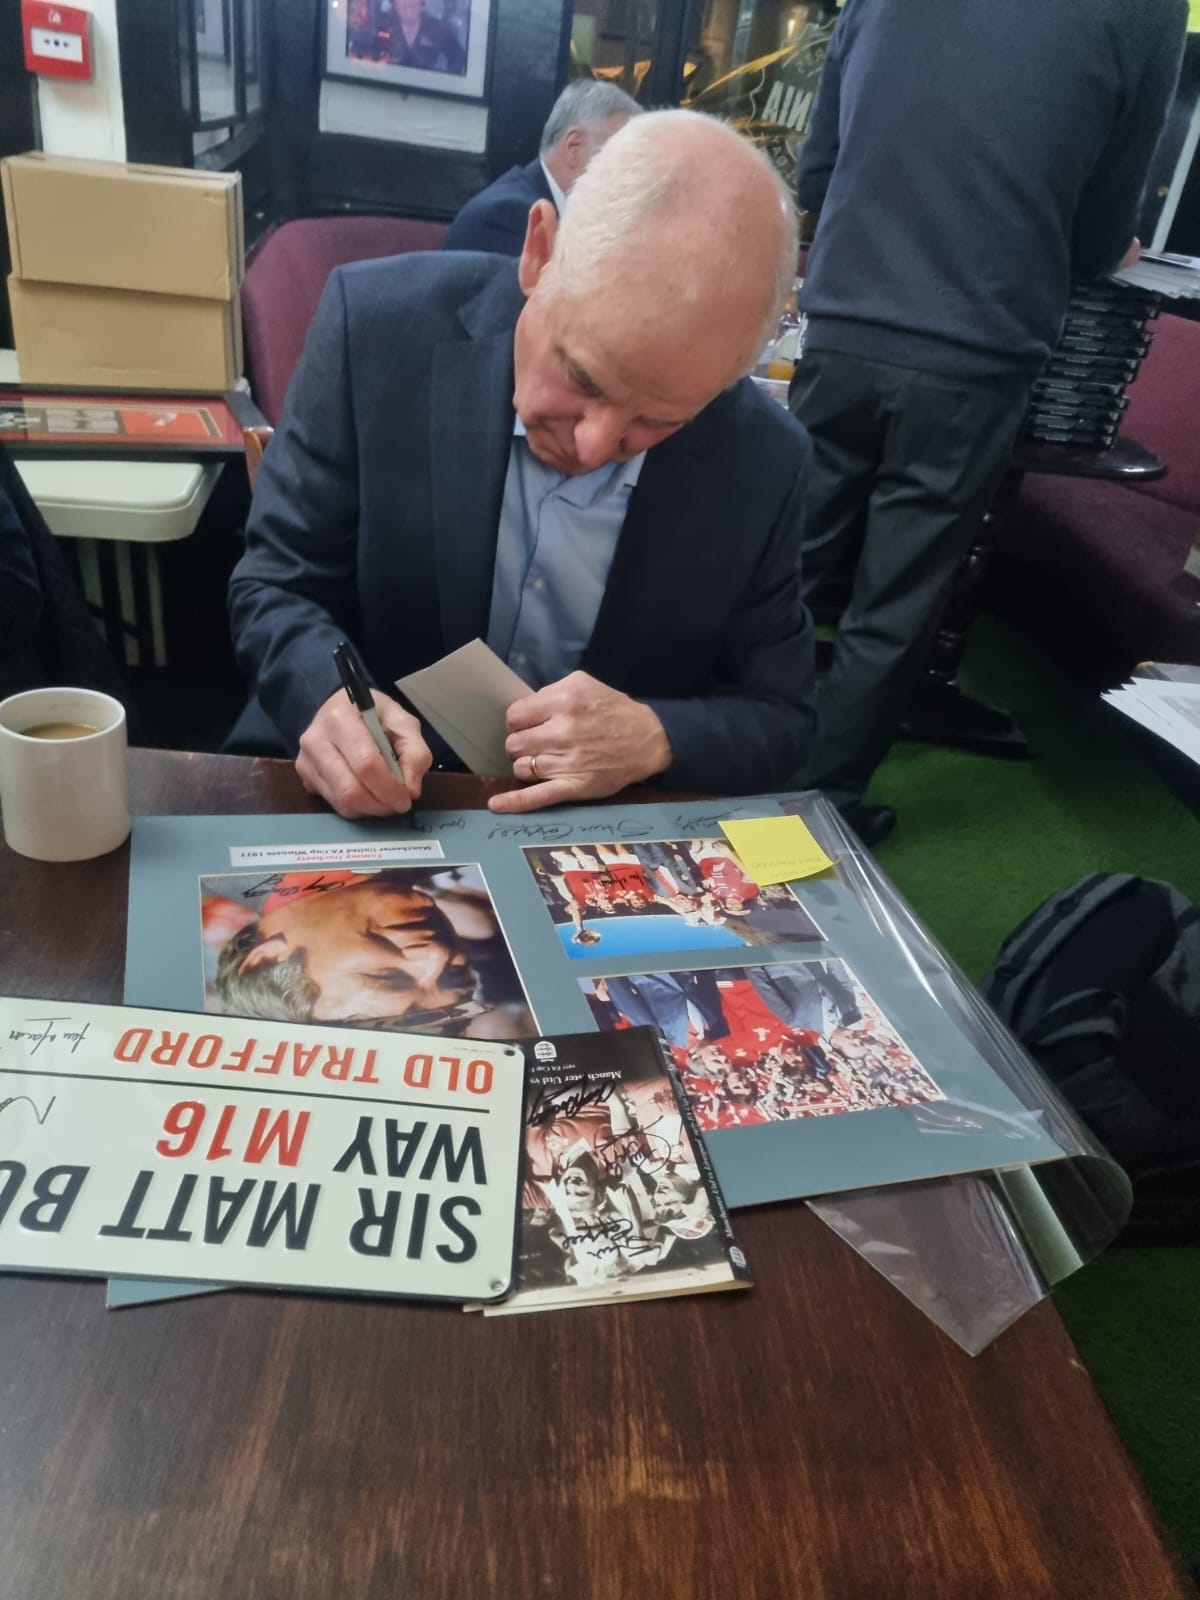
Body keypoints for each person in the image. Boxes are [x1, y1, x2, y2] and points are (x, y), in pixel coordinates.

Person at [227, 111, 815, 817]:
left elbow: (780, 716)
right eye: (586, 380)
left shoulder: (761, 460)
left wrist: (657, 735)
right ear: (539, 252)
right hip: (372, 798)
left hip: (590, 829)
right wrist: (328, 699)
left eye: (658, 421)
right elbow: (276, 584)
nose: (595, 447)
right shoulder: (377, 331)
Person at [789, 0, 1188, 847]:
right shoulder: (1143, 10)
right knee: (894, 605)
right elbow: (1098, 229)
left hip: (843, 326)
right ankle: (812, 821)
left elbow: (818, 171)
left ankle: (716, 769)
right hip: (978, 352)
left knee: (784, 570)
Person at [209, 868, 533, 1034]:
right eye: (456, 975)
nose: (435, 955)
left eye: (385, 976)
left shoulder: (215, 825)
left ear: (267, 958)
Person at [443, 80, 640, 256]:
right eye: (622, 156)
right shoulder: (508, 217)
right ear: (574, 147)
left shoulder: (544, 204)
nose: (630, 176)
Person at [350, 0, 465, 75]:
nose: (408, 2)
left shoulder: (436, 28)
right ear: (393, 3)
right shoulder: (380, 23)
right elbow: (356, 52)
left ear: (423, 3)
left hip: (425, 99)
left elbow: (458, 57)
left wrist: (444, 85)